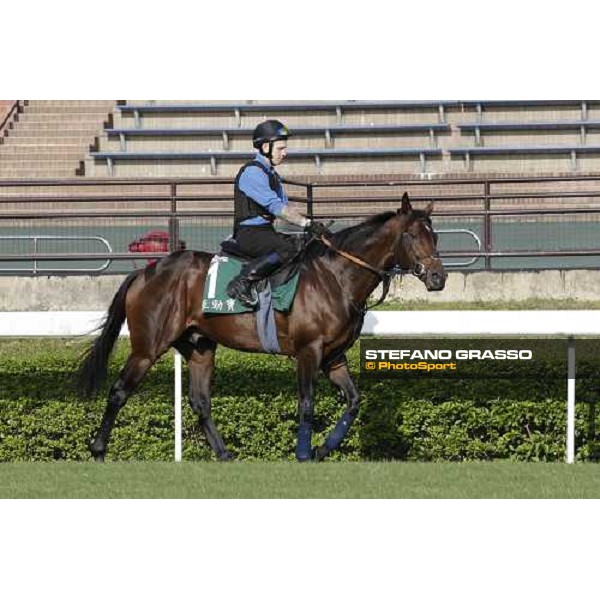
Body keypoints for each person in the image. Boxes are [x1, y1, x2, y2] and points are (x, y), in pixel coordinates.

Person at [226, 119, 330, 307]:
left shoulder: (272, 175)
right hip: (249, 234)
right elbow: (277, 208)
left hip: (265, 231)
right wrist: (307, 224)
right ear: (266, 147)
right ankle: (242, 281)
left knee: (303, 244)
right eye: (281, 148)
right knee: (286, 249)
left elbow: (286, 209)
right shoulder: (252, 173)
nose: (285, 153)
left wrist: (307, 230)